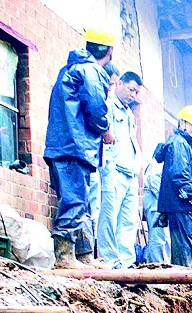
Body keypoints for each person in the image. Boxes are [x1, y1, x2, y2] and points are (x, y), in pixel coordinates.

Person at [44, 27, 116, 268]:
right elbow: (96, 108)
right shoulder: (91, 71)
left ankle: (84, 255)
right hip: (74, 147)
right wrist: (105, 129)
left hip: (66, 146)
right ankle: (64, 257)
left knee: (81, 201)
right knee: (75, 200)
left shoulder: (71, 70)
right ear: (109, 51)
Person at [155, 105, 192, 269]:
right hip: (181, 205)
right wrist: (190, 194)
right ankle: (183, 282)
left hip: (182, 205)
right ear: (182, 123)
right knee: (184, 247)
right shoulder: (179, 143)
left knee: (186, 245)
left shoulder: (184, 144)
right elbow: (178, 172)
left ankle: (185, 281)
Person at [97, 71, 143, 268]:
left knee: (128, 220)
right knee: (109, 217)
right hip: (114, 171)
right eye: (131, 89)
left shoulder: (130, 114)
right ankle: (110, 261)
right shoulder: (109, 106)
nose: (133, 95)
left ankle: (126, 262)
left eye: (136, 92)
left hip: (130, 173)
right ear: (120, 84)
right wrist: (108, 168)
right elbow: (105, 141)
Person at [88, 61, 121, 243]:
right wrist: (106, 131)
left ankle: (102, 255)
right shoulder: (93, 94)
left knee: (105, 208)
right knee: (91, 205)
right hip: (90, 155)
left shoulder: (108, 101)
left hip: (105, 157)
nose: (111, 89)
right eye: (109, 84)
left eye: (114, 84)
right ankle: (90, 252)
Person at [141, 144, 170, 263]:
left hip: (159, 205)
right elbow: (155, 184)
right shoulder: (157, 167)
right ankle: (156, 264)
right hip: (156, 205)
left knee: (164, 237)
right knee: (158, 237)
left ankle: (163, 263)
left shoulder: (158, 166)